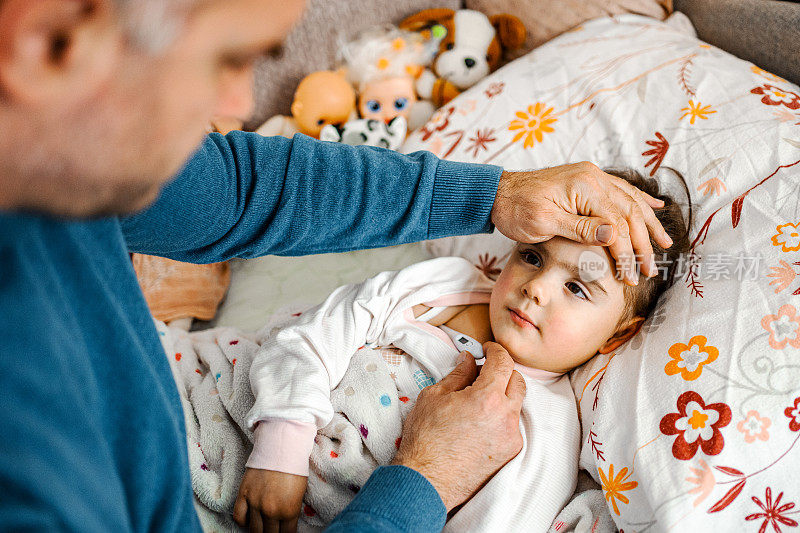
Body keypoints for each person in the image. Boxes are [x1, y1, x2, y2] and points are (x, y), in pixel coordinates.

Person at [0, 1, 671, 531]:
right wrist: (424, 481)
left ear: (618, 333)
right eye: (227, 59)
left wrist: (494, 195)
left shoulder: (53, 167)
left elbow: (235, 190)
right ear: (45, 40)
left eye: (581, 285)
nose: (238, 107)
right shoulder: (35, 474)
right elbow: (326, 321)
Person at [234, 169, 691, 531]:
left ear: (615, 336)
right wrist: (281, 448)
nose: (536, 290)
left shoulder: (546, 427)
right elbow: (313, 334)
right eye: (532, 257)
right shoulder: (445, 283)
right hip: (236, 407)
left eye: (577, 287)